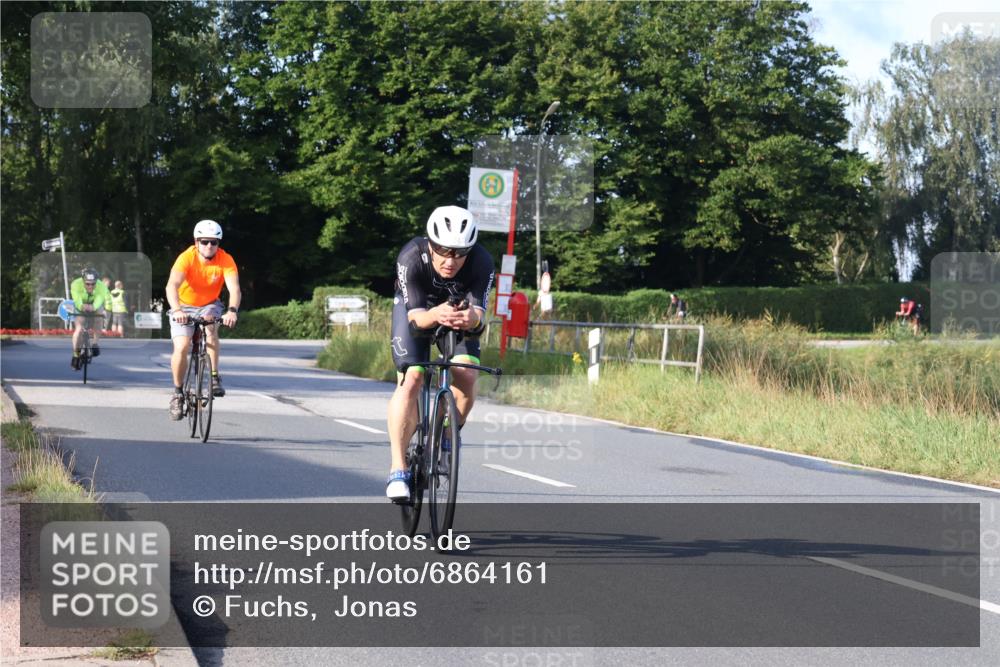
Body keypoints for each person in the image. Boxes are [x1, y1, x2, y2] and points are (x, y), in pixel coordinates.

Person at [386, 205, 495, 501]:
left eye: (459, 253)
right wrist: (435, 313)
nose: (451, 260)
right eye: (444, 251)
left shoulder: (482, 261)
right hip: (418, 310)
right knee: (412, 379)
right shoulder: (411, 256)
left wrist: (470, 318)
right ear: (431, 244)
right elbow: (417, 319)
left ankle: (447, 435)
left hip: (458, 313)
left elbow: (480, 316)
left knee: (467, 375)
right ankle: (398, 468)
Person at [165, 220, 241, 420]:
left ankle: (214, 377)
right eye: (205, 241)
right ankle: (178, 393)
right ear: (196, 242)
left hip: (209, 304)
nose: (209, 246)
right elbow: (172, 285)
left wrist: (232, 311)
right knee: (181, 346)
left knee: (211, 328)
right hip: (183, 305)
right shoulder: (186, 258)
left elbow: (234, 288)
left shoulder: (225, 259)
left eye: (214, 242)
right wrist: (177, 310)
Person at [69, 267, 111, 369]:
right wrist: (82, 306)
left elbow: (99, 299)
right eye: (87, 284)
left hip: (94, 304)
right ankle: (76, 355)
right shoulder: (75, 284)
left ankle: (95, 343)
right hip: (81, 305)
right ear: (83, 281)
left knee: (99, 316)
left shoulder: (101, 286)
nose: (90, 286)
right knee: (78, 330)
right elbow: (77, 299)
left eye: (93, 284)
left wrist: (93, 307)